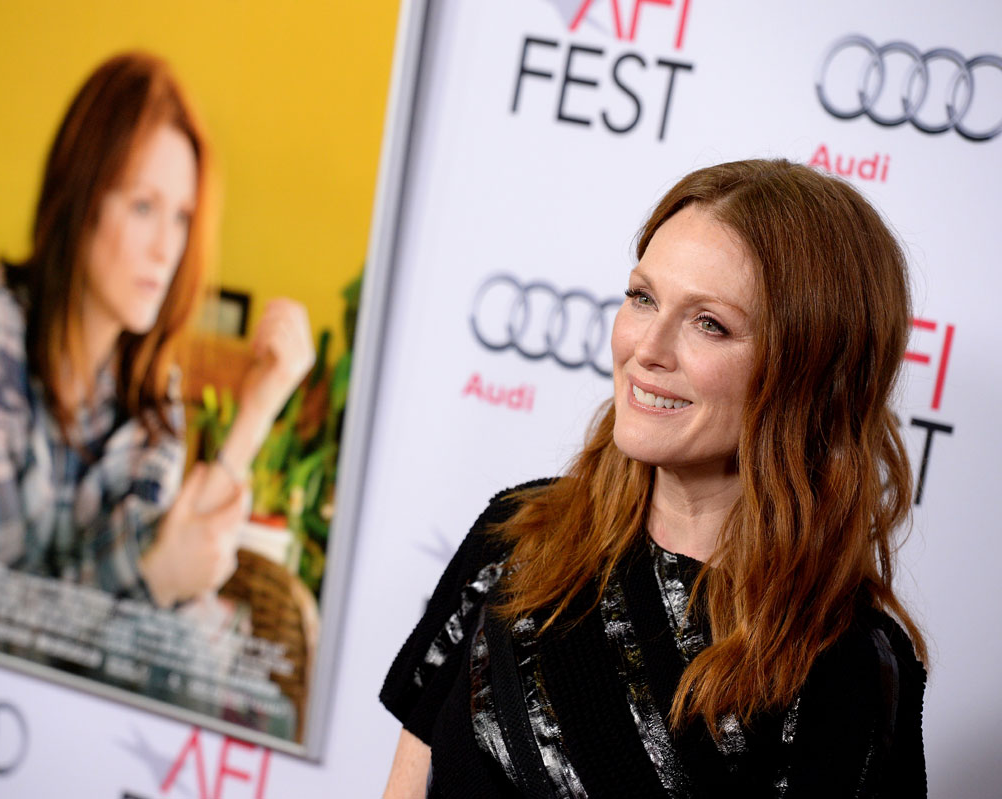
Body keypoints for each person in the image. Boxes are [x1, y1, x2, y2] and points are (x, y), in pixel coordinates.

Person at [380, 159, 928, 797]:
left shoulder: (844, 668)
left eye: (710, 323)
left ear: (809, 375)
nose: (647, 347)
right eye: (643, 297)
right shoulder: (518, 538)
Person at [0, 52, 314, 607]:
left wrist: (260, 405)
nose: (167, 249)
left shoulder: (152, 389)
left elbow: (170, 544)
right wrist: (154, 580)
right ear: (80, 199)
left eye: (182, 217)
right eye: (143, 207)